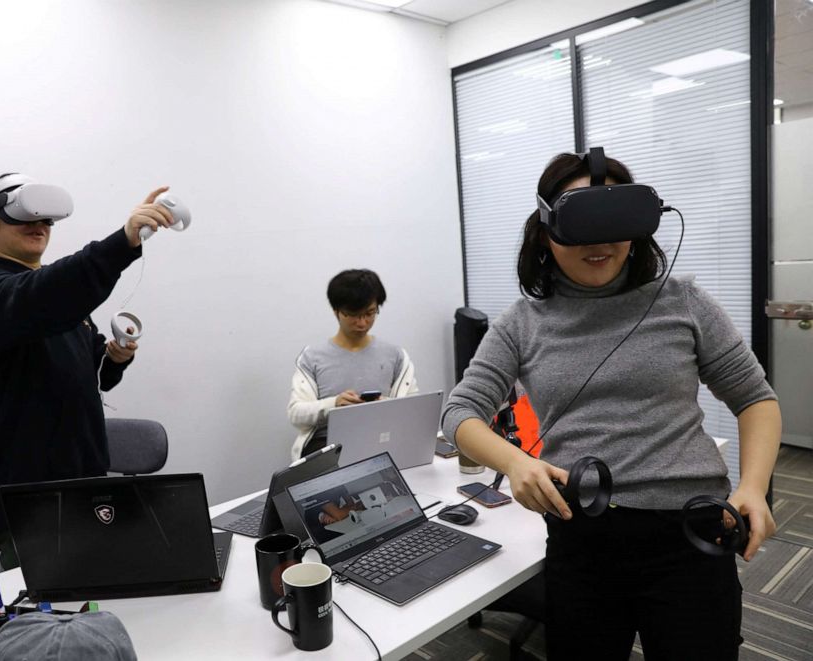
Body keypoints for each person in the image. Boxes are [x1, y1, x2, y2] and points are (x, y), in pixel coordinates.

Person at [442, 151, 781, 659]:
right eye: (581, 223)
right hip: (584, 542)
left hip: (687, 539)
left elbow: (756, 398)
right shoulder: (521, 324)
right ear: (545, 230)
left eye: (615, 223)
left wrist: (753, 487)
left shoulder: (683, 303)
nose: (600, 243)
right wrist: (515, 461)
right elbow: (459, 414)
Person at [0, 173, 175, 569]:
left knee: (99, 607)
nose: (39, 227)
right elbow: (38, 299)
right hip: (32, 501)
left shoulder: (55, 296)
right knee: (53, 621)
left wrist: (115, 358)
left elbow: (95, 370)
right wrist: (122, 241)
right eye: (23, 218)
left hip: (85, 485)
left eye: (46, 221)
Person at [288, 269, 418, 460]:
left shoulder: (396, 355)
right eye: (353, 315)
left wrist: (384, 406)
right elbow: (296, 414)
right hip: (328, 448)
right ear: (336, 311)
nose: (362, 323)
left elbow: (413, 410)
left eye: (370, 313)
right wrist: (333, 404)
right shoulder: (312, 357)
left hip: (382, 444)